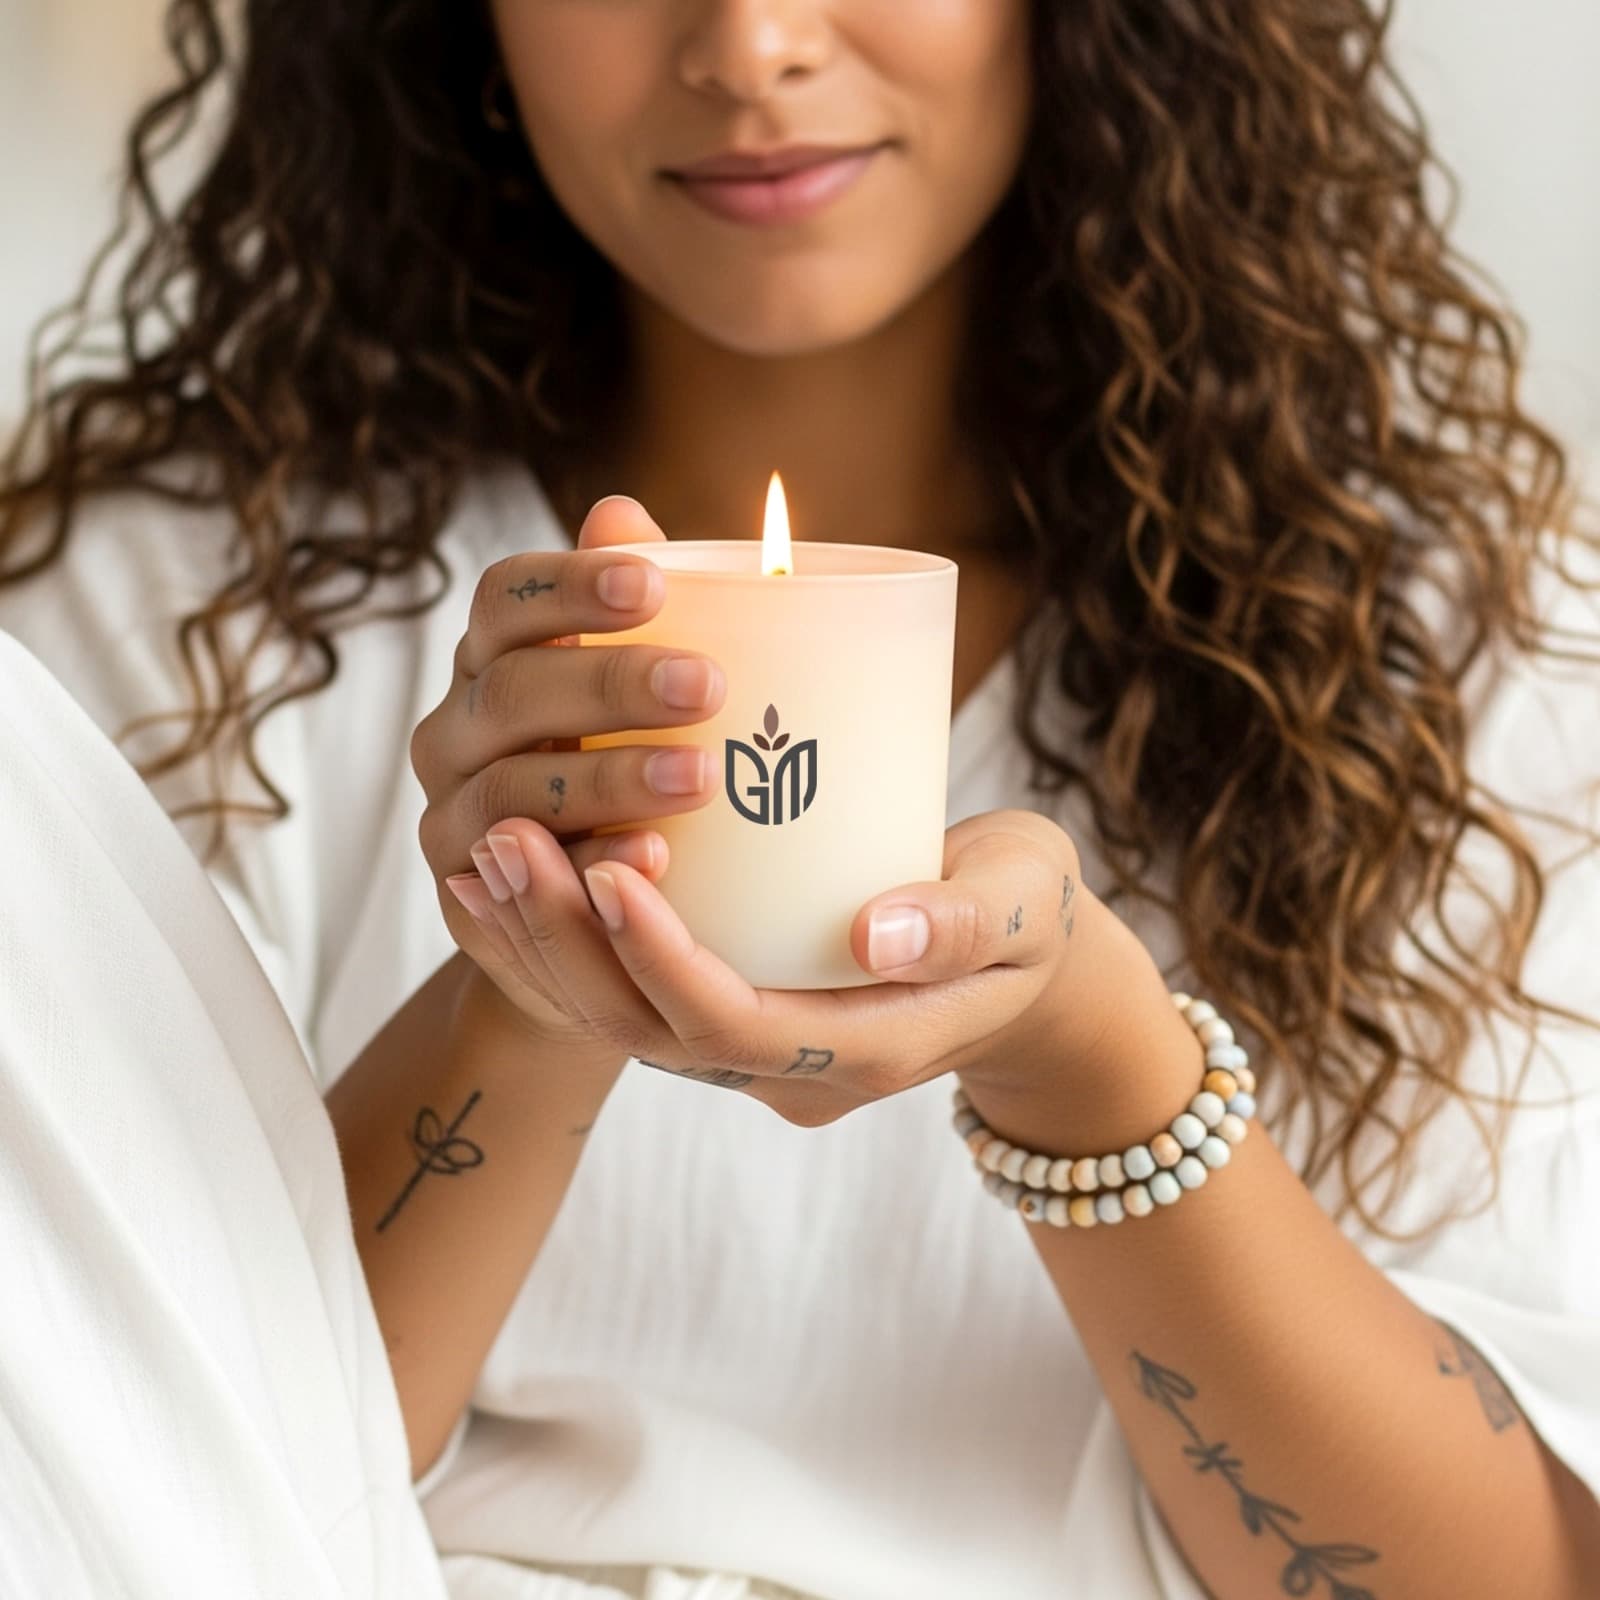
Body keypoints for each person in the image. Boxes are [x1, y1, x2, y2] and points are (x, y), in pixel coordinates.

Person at [2, 1, 1599, 1596]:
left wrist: (1095, 1060)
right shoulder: (171, 617)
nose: (750, 45)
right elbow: (133, 1472)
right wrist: (533, 997)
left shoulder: (1453, 670)